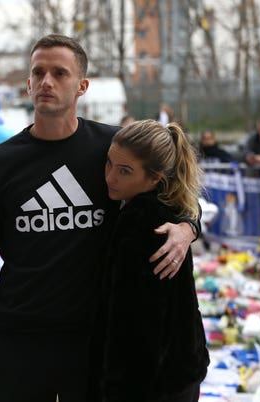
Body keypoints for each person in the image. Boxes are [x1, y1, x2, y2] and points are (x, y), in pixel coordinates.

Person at [0, 34, 200, 402]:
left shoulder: (112, 149)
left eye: (60, 73)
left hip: (92, 344)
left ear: (82, 86)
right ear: (28, 82)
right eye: (39, 72)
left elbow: (176, 192)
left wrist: (187, 228)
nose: (47, 81)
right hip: (21, 342)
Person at [92, 119, 209, 402]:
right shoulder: (169, 210)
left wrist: (116, 389)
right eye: (109, 164)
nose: (110, 177)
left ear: (154, 178)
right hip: (180, 371)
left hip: (151, 385)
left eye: (125, 172)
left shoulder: (141, 222)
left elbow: (136, 324)